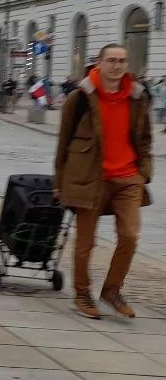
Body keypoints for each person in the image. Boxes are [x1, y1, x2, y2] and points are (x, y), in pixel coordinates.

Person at [54, 44, 153, 320]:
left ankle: (112, 290)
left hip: (128, 178)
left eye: (121, 61)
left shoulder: (136, 96)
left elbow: (144, 137)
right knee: (86, 242)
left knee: (130, 236)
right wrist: (60, 181)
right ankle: (82, 293)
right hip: (90, 177)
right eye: (111, 60)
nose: (117, 66)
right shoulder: (81, 97)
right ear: (99, 63)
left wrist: (144, 171)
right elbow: (63, 141)